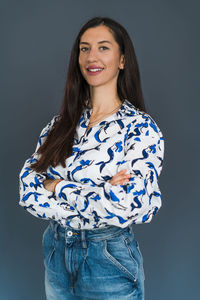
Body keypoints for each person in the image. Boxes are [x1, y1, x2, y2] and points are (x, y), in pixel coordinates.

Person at [18, 16, 165, 300]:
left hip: (108, 258)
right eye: (84, 49)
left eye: (103, 47)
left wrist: (57, 186)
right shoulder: (60, 124)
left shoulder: (140, 128)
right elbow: (27, 190)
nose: (91, 56)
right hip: (57, 253)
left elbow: (129, 206)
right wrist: (101, 192)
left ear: (122, 60)